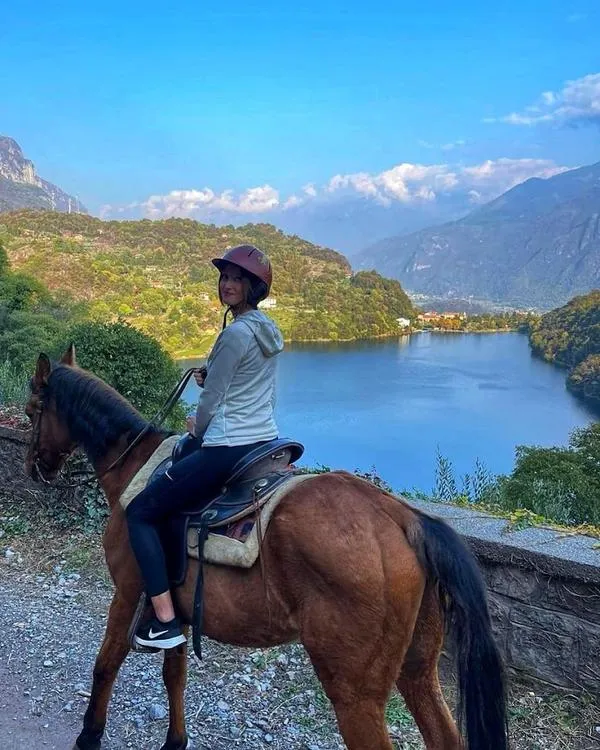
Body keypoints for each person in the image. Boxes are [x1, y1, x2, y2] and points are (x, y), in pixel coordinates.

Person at [127, 244, 283, 649]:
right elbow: (249, 384)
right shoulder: (268, 330)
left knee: (140, 512)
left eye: (237, 279)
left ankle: (164, 621)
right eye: (225, 277)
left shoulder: (234, 334)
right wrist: (211, 374)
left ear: (253, 288)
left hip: (227, 445)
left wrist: (197, 430)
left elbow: (211, 401)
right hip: (261, 438)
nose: (228, 284)